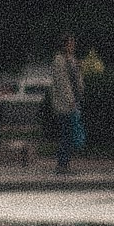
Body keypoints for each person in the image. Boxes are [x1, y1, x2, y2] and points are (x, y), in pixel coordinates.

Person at [48, 33, 85, 174]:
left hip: (74, 101)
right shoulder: (59, 61)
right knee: (67, 134)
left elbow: (77, 79)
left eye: (73, 43)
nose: (72, 46)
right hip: (66, 104)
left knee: (70, 134)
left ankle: (66, 163)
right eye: (70, 43)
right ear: (63, 45)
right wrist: (70, 101)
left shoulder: (71, 60)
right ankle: (62, 164)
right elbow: (63, 83)